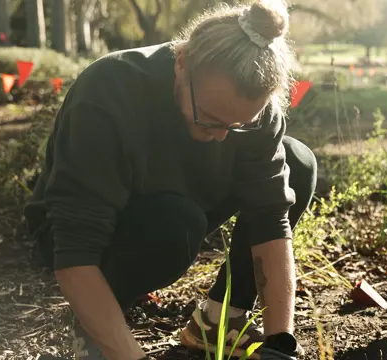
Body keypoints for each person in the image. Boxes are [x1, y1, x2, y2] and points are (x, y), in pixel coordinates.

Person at [24, 0, 317, 359]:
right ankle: (94, 335)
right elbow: (76, 249)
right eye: (210, 118)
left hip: (179, 202)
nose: (223, 136)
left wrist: (280, 344)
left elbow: (270, 221)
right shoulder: (108, 93)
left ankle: (219, 321)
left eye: (238, 125)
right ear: (181, 63)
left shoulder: (254, 110)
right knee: (176, 225)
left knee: (297, 163)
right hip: (84, 230)